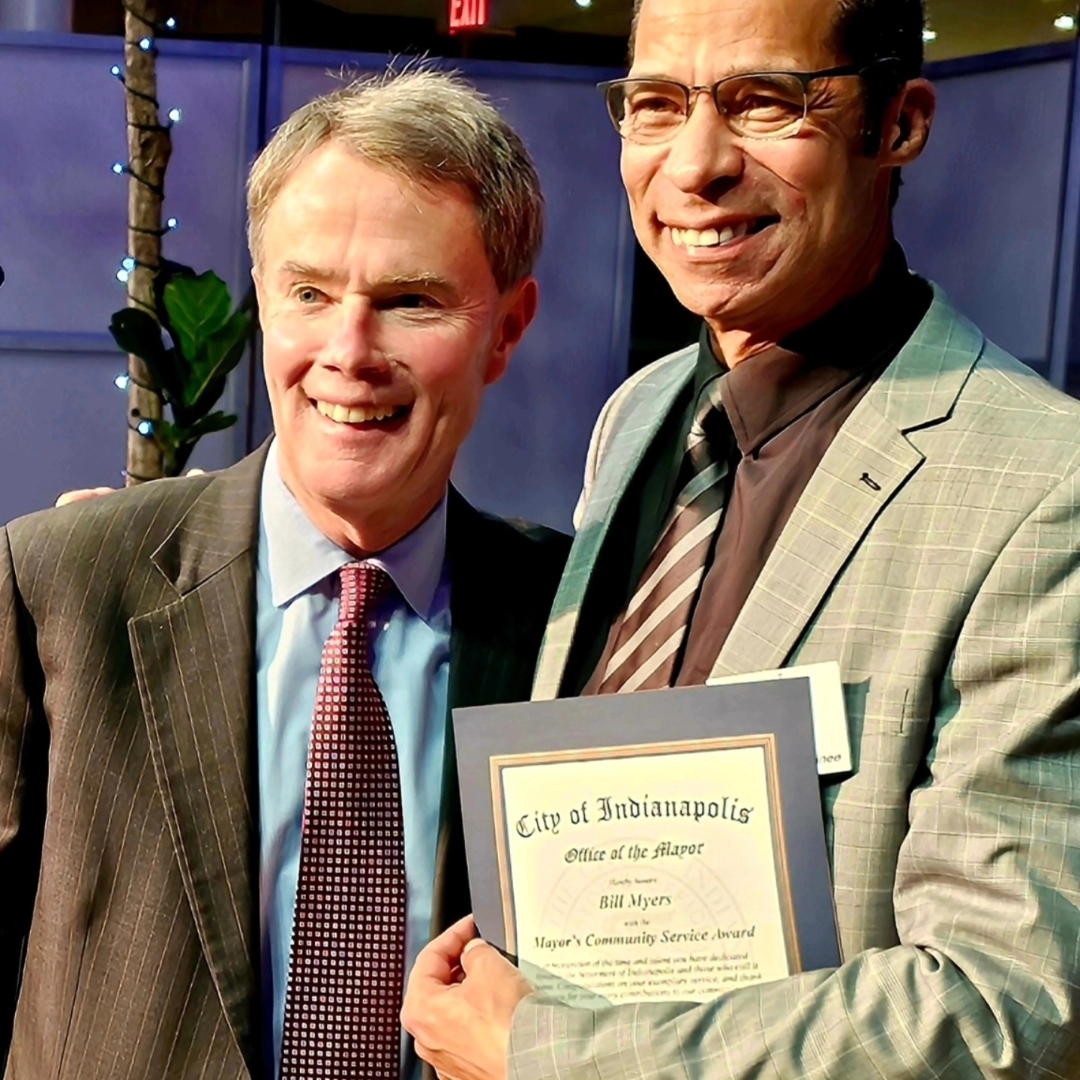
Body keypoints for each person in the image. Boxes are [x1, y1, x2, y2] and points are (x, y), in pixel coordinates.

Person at [401, 0, 1080, 1077]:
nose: (697, 164)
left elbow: (1006, 1009)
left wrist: (544, 1053)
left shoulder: (1044, 488)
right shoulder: (641, 415)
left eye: (763, 103)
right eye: (657, 105)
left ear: (898, 124)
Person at [0, 69, 570, 1080]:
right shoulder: (61, 581)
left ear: (508, 329)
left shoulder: (577, 618)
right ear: (265, 297)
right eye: (310, 293)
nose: (349, 353)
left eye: (410, 301)